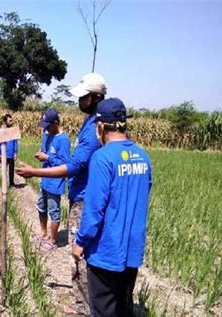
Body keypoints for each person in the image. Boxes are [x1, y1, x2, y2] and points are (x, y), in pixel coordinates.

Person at [16, 73, 106, 315]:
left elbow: (75, 165)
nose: (80, 101)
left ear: (96, 97)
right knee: (78, 254)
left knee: (81, 253)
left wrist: (35, 171)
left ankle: (85, 309)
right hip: (78, 194)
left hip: (85, 197)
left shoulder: (96, 126)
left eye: (84, 97)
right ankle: (81, 304)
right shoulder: (89, 123)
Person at [72, 98, 152, 316]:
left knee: (104, 309)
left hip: (105, 252)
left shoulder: (101, 158)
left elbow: (94, 210)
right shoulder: (143, 157)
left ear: (100, 126)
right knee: (124, 306)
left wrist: (80, 242)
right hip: (131, 250)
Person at [34, 108, 70, 252]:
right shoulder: (47, 135)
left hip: (55, 181)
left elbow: (66, 164)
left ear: (56, 123)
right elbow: (44, 150)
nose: (46, 129)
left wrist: (47, 157)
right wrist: (41, 154)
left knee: (54, 210)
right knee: (41, 206)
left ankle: (53, 240)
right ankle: (44, 234)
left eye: (48, 125)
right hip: (44, 178)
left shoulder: (63, 140)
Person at [0, 114, 19, 187]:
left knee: (11, 170)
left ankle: (11, 183)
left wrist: (15, 152)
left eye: (12, 120)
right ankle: (4, 184)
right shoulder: (1, 130)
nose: (11, 122)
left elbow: (15, 142)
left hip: (11, 154)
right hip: (4, 154)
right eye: (10, 120)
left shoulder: (13, 130)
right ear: (5, 121)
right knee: (3, 170)